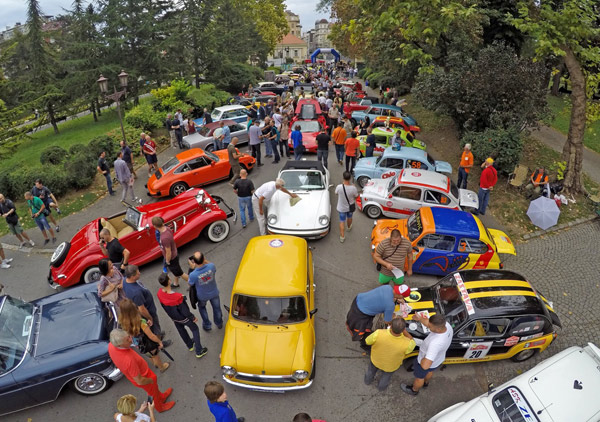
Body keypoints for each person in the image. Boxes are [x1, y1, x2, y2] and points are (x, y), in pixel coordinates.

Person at [108, 329, 175, 413]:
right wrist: (151, 380)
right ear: (120, 344)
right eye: (127, 340)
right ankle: (160, 407)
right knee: (153, 393)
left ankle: (161, 397)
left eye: (128, 336)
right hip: (145, 378)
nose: (130, 339)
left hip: (143, 373)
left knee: (154, 390)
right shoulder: (128, 360)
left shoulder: (111, 345)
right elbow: (140, 381)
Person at [157, 272, 207, 359]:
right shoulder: (178, 297)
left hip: (174, 318)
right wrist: (192, 317)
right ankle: (199, 351)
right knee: (195, 329)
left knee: (181, 331)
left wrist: (171, 317)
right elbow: (185, 311)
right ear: (169, 281)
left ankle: (190, 345)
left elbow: (163, 307)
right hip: (183, 318)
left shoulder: (159, 294)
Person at [401, 314, 453, 396]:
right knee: (429, 371)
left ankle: (414, 390)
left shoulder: (436, 343)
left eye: (430, 327)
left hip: (426, 361)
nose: (428, 327)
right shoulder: (446, 325)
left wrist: (422, 359)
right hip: (437, 360)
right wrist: (420, 319)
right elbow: (429, 323)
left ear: (438, 329)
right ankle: (426, 383)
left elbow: (425, 366)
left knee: (419, 377)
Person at [346, 284, 409, 351]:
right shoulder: (390, 305)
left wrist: (396, 298)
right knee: (363, 332)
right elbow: (387, 321)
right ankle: (365, 345)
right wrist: (396, 318)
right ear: (401, 296)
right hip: (360, 314)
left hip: (358, 300)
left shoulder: (387, 287)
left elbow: (384, 296)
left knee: (366, 324)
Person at [364, 316, 416, 391]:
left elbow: (367, 341)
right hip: (391, 366)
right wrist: (405, 332)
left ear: (390, 326)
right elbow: (411, 345)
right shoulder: (408, 343)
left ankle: (367, 381)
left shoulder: (379, 333)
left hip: (376, 360)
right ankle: (381, 388)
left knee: (371, 371)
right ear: (403, 330)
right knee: (386, 377)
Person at [119, 299, 170, 372]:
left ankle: (155, 364)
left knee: (149, 355)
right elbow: (151, 336)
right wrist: (159, 342)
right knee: (155, 355)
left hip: (138, 342)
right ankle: (161, 367)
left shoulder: (123, 322)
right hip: (147, 342)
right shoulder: (140, 322)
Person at [123, 265, 163, 337]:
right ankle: (159, 341)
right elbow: (142, 309)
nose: (140, 273)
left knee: (155, 327)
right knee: (154, 327)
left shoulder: (125, 280)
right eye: (138, 273)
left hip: (146, 309)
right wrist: (150, 318)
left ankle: (158, 334)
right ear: (132, 276)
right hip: (148, 312)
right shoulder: (136, 293)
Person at [188, 251, 223, 331]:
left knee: (202, 308)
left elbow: (190, 284)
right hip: (214, 293)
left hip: (202, 296)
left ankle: (207, 325)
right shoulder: (211, 266)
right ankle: (219, 323)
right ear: (203, 259)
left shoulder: (193, 274)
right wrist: (205, 261)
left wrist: (191, 268)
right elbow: (212, 267)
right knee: (217, 308)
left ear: (194, 262)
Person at [152, 217, 187, 287]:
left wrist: (167, 261)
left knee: (180, 273)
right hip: (175, 253)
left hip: (172, 258)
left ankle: (192, 283)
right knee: (176, 271)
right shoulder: (167, 229)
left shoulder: (164, 238)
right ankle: (176, 283)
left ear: (155, 226)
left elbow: (168, 252)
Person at [335, 171, 358, 243]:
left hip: (341, 208)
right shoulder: (353, 188)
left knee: (342, 221)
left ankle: (342, 236)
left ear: (343, 178)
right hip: (350, 207)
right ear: (350, 178)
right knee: (350, 217)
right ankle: (348, 227)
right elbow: (356, 196)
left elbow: (336, 193)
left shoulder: (339, 187)